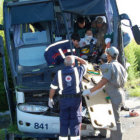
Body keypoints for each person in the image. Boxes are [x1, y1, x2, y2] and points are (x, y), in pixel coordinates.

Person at [83, 47, 128, 140]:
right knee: (109, 116)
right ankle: (110, 136)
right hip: (119, 93)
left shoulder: (110, 66)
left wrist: (90, 90)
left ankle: (117, 138)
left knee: (115, 119)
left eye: (107, 55)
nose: (106, 56)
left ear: (109, 56)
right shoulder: (120, 65)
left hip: (114, 94)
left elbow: (103, 81)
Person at [48, 55, 88, 140]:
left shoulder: (59, 73)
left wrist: (50, 99)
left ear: (64, 63)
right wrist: (77, 57)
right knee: (75, 121)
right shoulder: (79, 70)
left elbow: (53, 88)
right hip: (75, 101)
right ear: (73, 63)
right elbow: (85, 63)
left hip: (64, 100)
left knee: (64, 121)